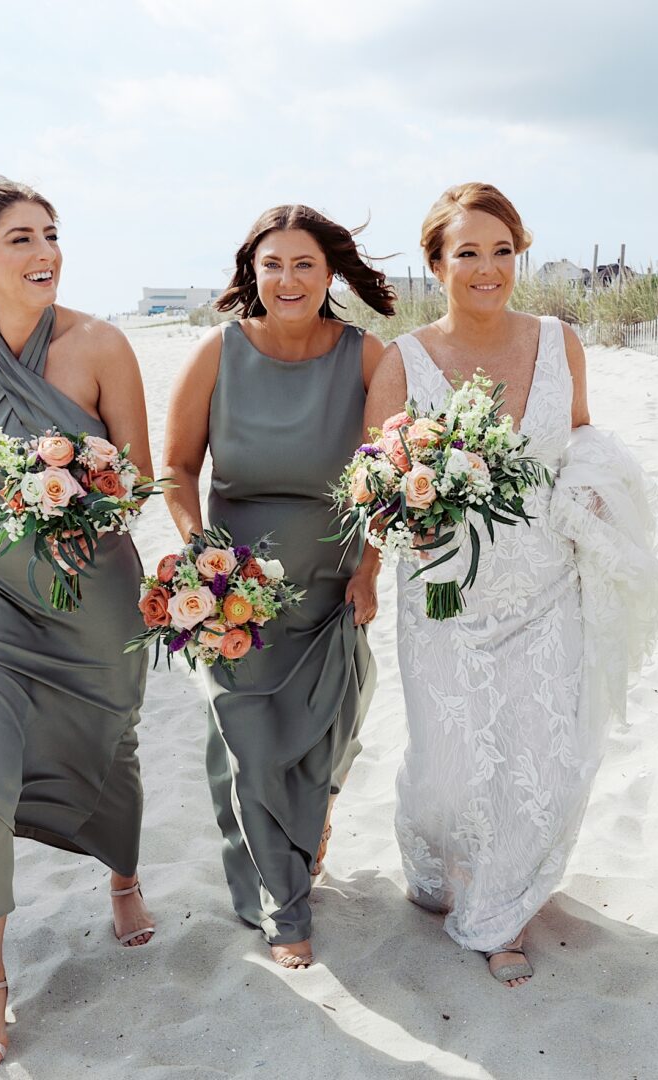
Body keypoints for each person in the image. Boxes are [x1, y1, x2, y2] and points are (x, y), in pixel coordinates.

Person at [365, 183, 658, 987]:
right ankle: (438, 863)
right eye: (467, 252)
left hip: (548, 580)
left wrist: (595, 484)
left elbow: (583, 431)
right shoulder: (405, 361)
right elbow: (379, 480)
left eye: (502, 250)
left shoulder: (561, 341)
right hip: (448, 590)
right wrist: (410, 524)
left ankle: (499, 913)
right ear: (437, 263)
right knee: (450, 762)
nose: (488, 267)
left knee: (546, 755)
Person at [0, 171, 155, 1073]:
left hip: (91, 603)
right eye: (21, 238)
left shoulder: (101, 344)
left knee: (107, 747)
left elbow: (135, 475)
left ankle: (122, 876)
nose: (45, 251)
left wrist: (87, 513)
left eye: (51, 233)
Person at [161, 205, 390, 969]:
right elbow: (177, 468)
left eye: (303, 265)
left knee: (321, 746)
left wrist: (370, 563)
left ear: (330, 275)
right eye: (273, 265)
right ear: (251, 273)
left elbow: (386, 480)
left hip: (329, 588)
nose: (287, 280)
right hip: (235, 596)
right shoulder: (216, 353)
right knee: (248, 746)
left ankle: (308, 829)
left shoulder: (365, 358)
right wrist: (199, 553)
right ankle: (282, 909)